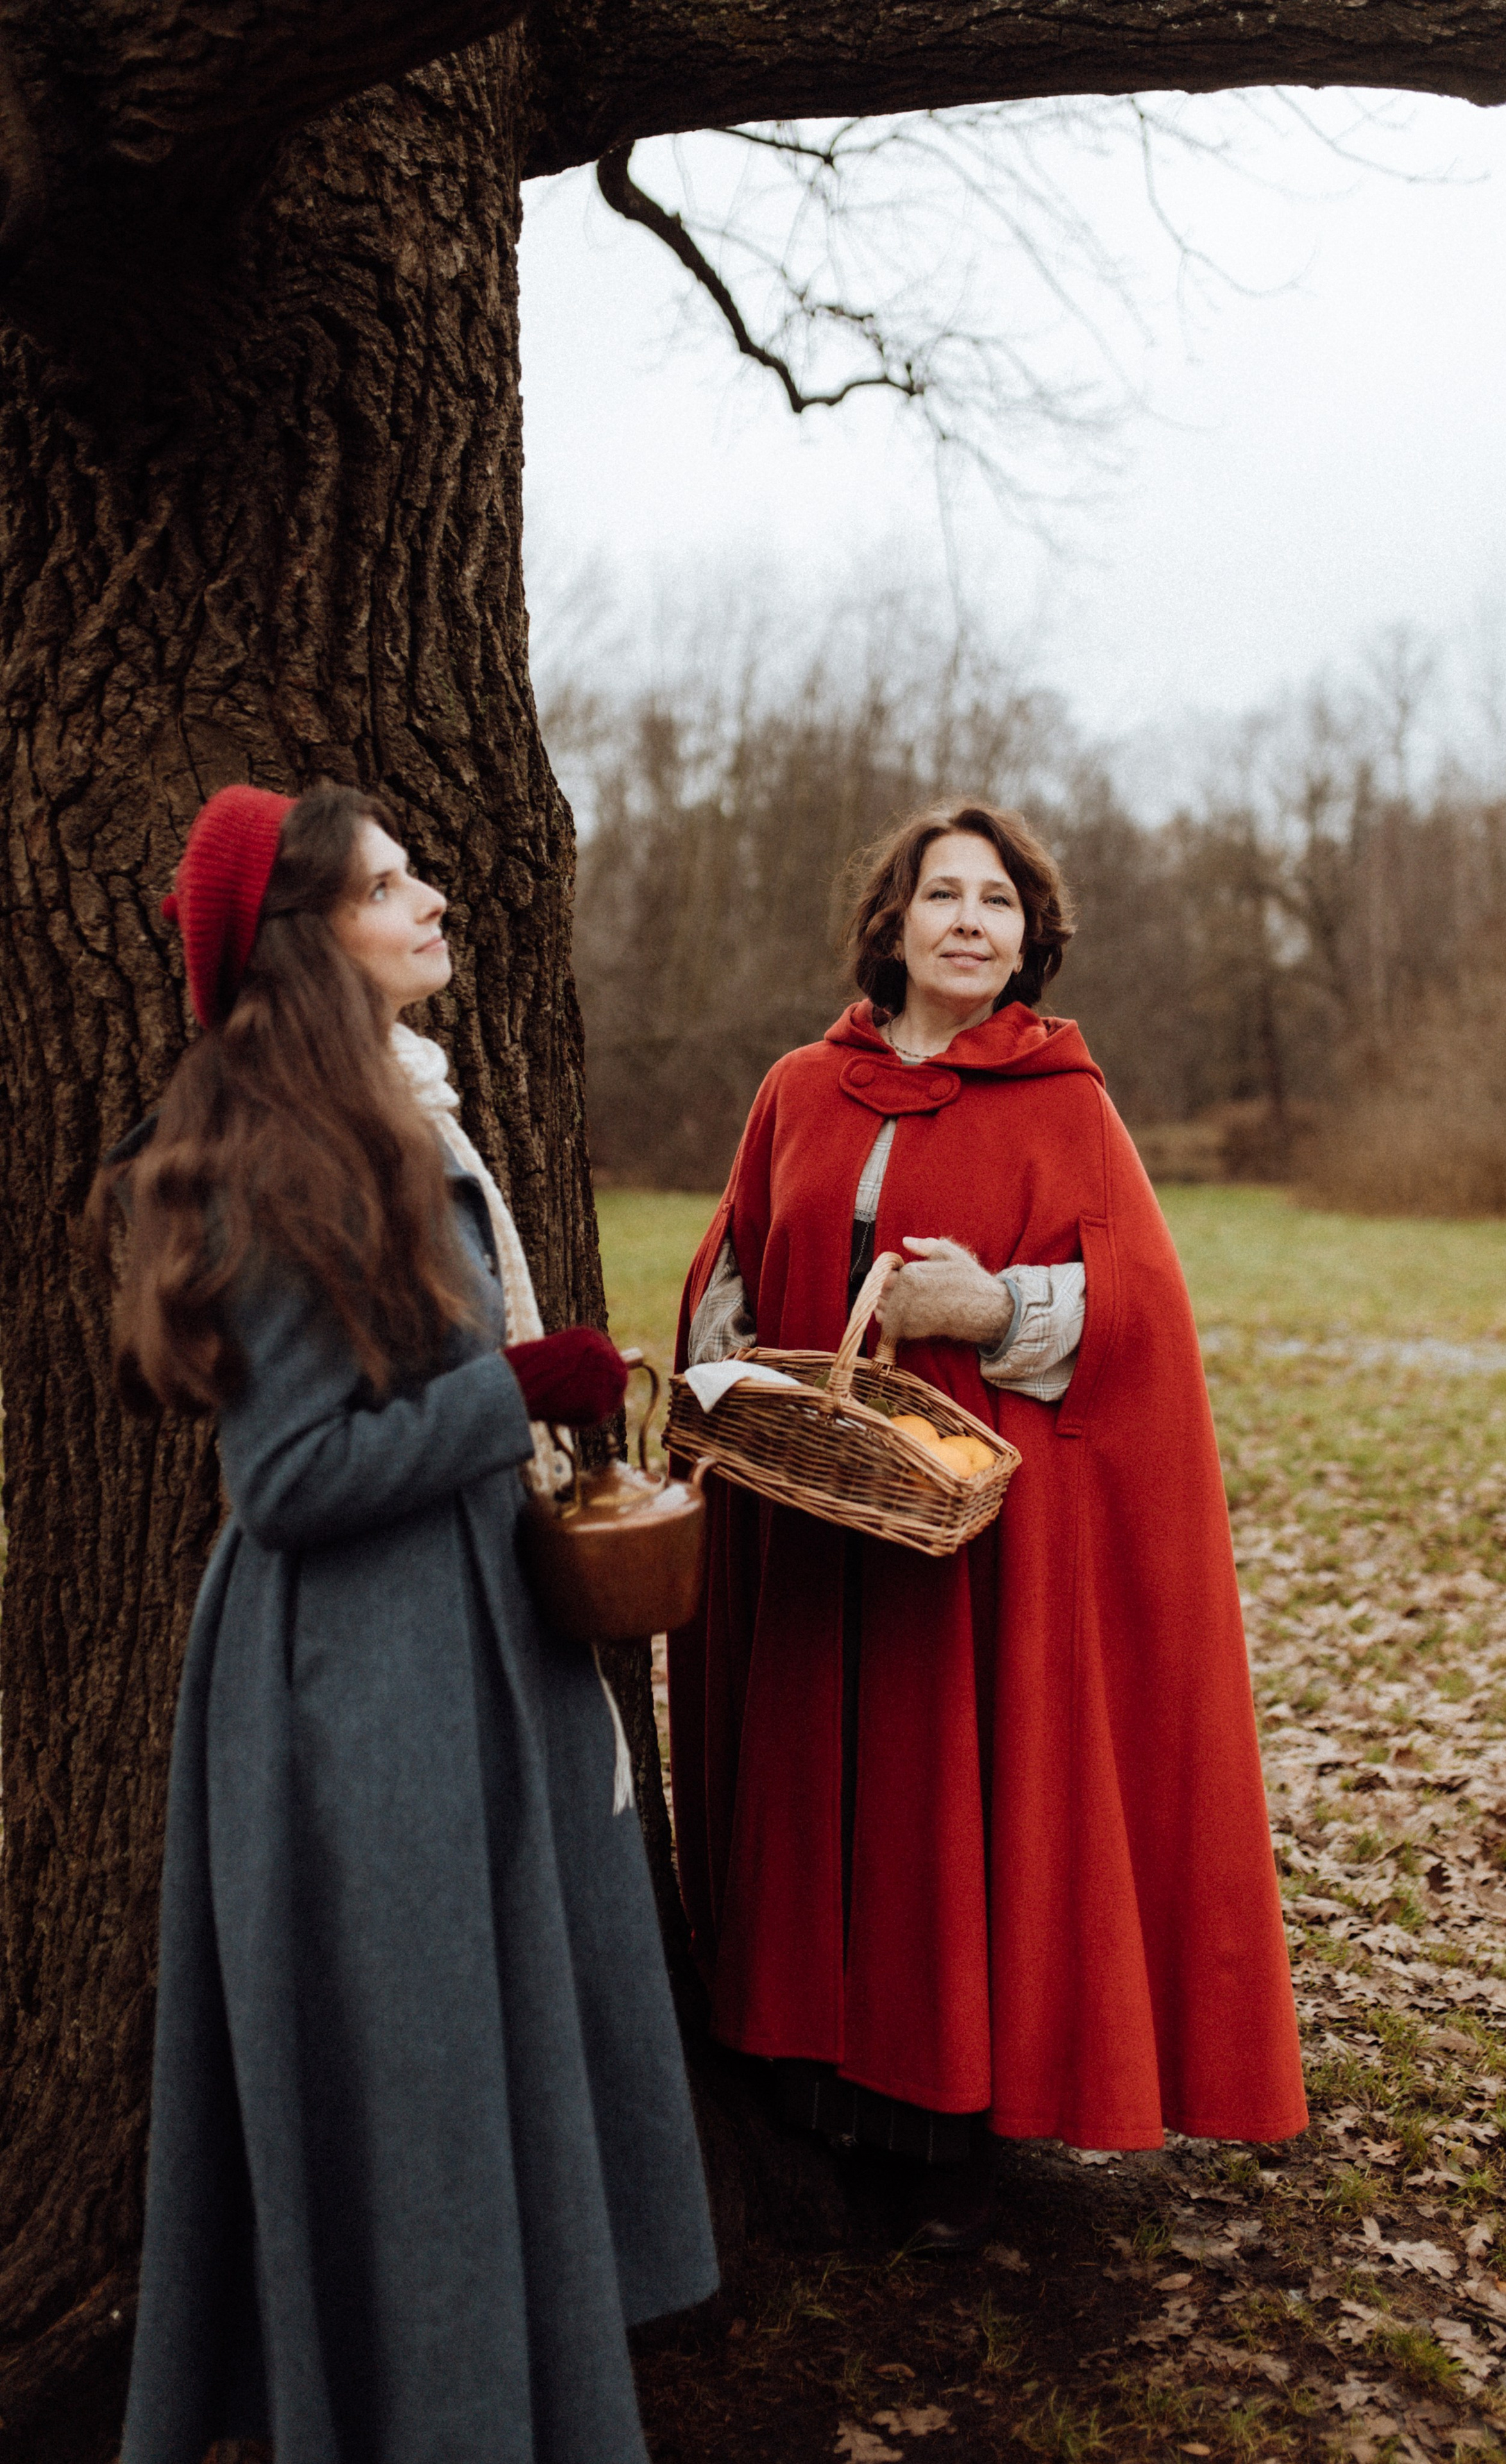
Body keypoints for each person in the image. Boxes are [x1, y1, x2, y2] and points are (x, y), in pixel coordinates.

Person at [97, 781, 717, 2464]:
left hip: (445, 1653)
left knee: (487, 2081)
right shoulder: (272, 1148)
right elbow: (290, 1474)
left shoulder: (392, 1113)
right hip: (355, 1697)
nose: (433, 897)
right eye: (389, 883)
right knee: (422, 2109)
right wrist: (513, 1391)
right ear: (309, 939)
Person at [672, 799, 1307, 2248]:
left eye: (998, 903)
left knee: (947, 1795)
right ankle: (799, 2074)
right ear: (889, 924)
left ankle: (945, 2106)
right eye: (942, 895)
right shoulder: (798, 1086)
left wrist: (993, 1306)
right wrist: (737, 1366)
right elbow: (727, 1262)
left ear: (1030, 941)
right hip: (816, 1512)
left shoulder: (1064, 1100)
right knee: (815, 1772)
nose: (969, 919)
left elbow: (1138, 1307)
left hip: (970, 1543)